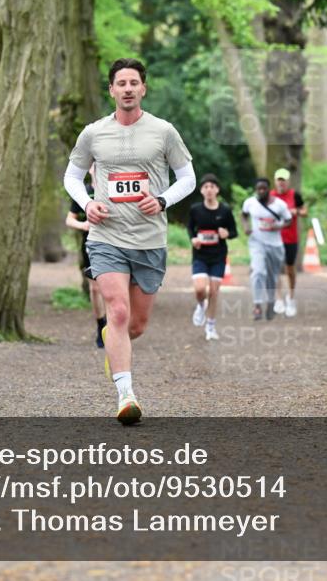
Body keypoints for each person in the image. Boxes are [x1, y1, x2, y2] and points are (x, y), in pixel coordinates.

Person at [63, 58, 195, 425]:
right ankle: (126, 396)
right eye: (120, 83)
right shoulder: (93, 133)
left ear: (143, 88)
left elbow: (188, 177)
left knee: (135, 325)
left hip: (150, 239)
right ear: (111, 90)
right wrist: (87, 203)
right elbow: (72, 176)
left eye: (134, 82)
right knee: (117, 311)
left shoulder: (163, 131)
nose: (127, 89)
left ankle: (114, 340)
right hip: (106, 237)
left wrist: (164, 199)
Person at [187, 173, 238, 341]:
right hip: (200, 256)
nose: (209, 190)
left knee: (214, 292)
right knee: (200, 289)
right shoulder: (195, 209)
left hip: (218, 256)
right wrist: (193, 238)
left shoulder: (225, 210)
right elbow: (190, 228)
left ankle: (210, 327)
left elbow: (234, 232)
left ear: (217, 190)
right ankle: (201, 305)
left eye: (212, 187)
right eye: (205, 187)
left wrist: (226, 234)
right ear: (201, 191)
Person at [66, 165, 107, 349]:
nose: (96, 169)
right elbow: (69, 219)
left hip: (113, 243)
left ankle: (116, 327)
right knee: (96, 289)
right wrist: (83, 225)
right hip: (89, 245)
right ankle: (101, 326)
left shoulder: (112, 190)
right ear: (89, 169)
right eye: (93, 166)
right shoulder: (83, 193)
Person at [241, 178, 292, 321]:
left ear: (269, 189)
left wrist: (278, 226)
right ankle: (257, 305)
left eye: (264, 188)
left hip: (275, 245)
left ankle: (271, 302)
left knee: (272, 276)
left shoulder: (280, 205)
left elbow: (288, 220)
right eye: (259, 189)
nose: (261, 191)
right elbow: (243, 215)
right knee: (258, 271)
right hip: (256, 243)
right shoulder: (250, 202)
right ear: (256, 189)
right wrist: (246, 228)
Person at [270, 168, 308, 317]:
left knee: (290, 269)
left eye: (283, 180)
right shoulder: (270, 196)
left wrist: (295, 212)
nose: (281, 183)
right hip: (273, 238)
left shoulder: (294, 195)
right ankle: (278, 298)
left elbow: (305, 211)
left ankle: (291, 297)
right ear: (275, 181)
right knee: (275, 268)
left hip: (290, 238)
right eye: (279, 180)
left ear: (288, 181)